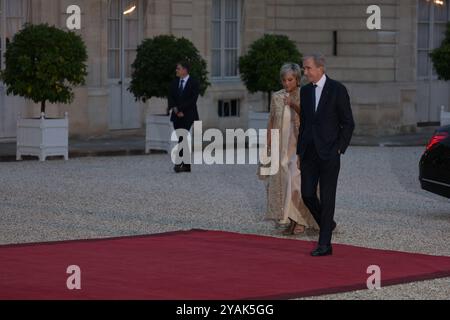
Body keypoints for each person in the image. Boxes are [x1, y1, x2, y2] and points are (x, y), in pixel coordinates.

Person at [297, 54, 355, 256]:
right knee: (307, 194)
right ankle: (327, 223)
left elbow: (348, 123)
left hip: (330, 153)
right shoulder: (304, 92)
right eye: (304, 68)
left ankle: (325, 244)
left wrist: (340, 147)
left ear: (320, 68)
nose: (305, 72)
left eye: (307, 68)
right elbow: (304, 124)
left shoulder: (338, 90)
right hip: (308, 153)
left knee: (328, 198)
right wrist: (299, 152)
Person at [262, 63, 318, 235]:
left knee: (296, 182)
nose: (286, 83)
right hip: (281, 146)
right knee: (284, 182)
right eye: (284, 80)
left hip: (299, 146)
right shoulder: (277, 96)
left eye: (290, 80)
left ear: (297, 79)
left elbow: (310, 117)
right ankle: (288, 219)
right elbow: (272, 120)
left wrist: (293, 104)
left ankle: (300, 219)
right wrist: (268, 143)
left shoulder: (305, 94)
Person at [168, 61, 200, 173]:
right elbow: (171, 97)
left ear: (185, 70)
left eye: (178, 68)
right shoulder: (174, 82)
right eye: (176, 68)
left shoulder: (194, 82)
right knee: (181, 138)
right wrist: (176, 110)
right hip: (177, 115)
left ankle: (178, 162)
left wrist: (181, 109)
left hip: (188, 114)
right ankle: (186, 165)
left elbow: (193, 100)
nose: (176, 70)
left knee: (182, 137)